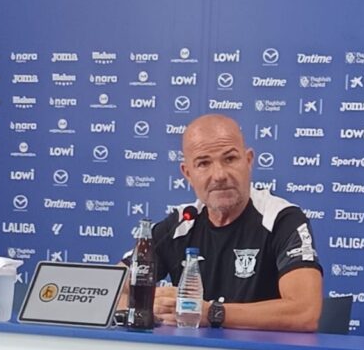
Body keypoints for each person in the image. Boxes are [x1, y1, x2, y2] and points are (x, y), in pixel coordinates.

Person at [119, 114, 323, 332]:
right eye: (203, 163)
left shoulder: (280, 219)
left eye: (230, 159)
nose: (219, 175)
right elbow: (111, 290)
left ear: (249, 161)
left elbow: (304, 312)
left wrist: (211, 312)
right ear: (187, 173)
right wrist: (147, 305)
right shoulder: (181, 223)